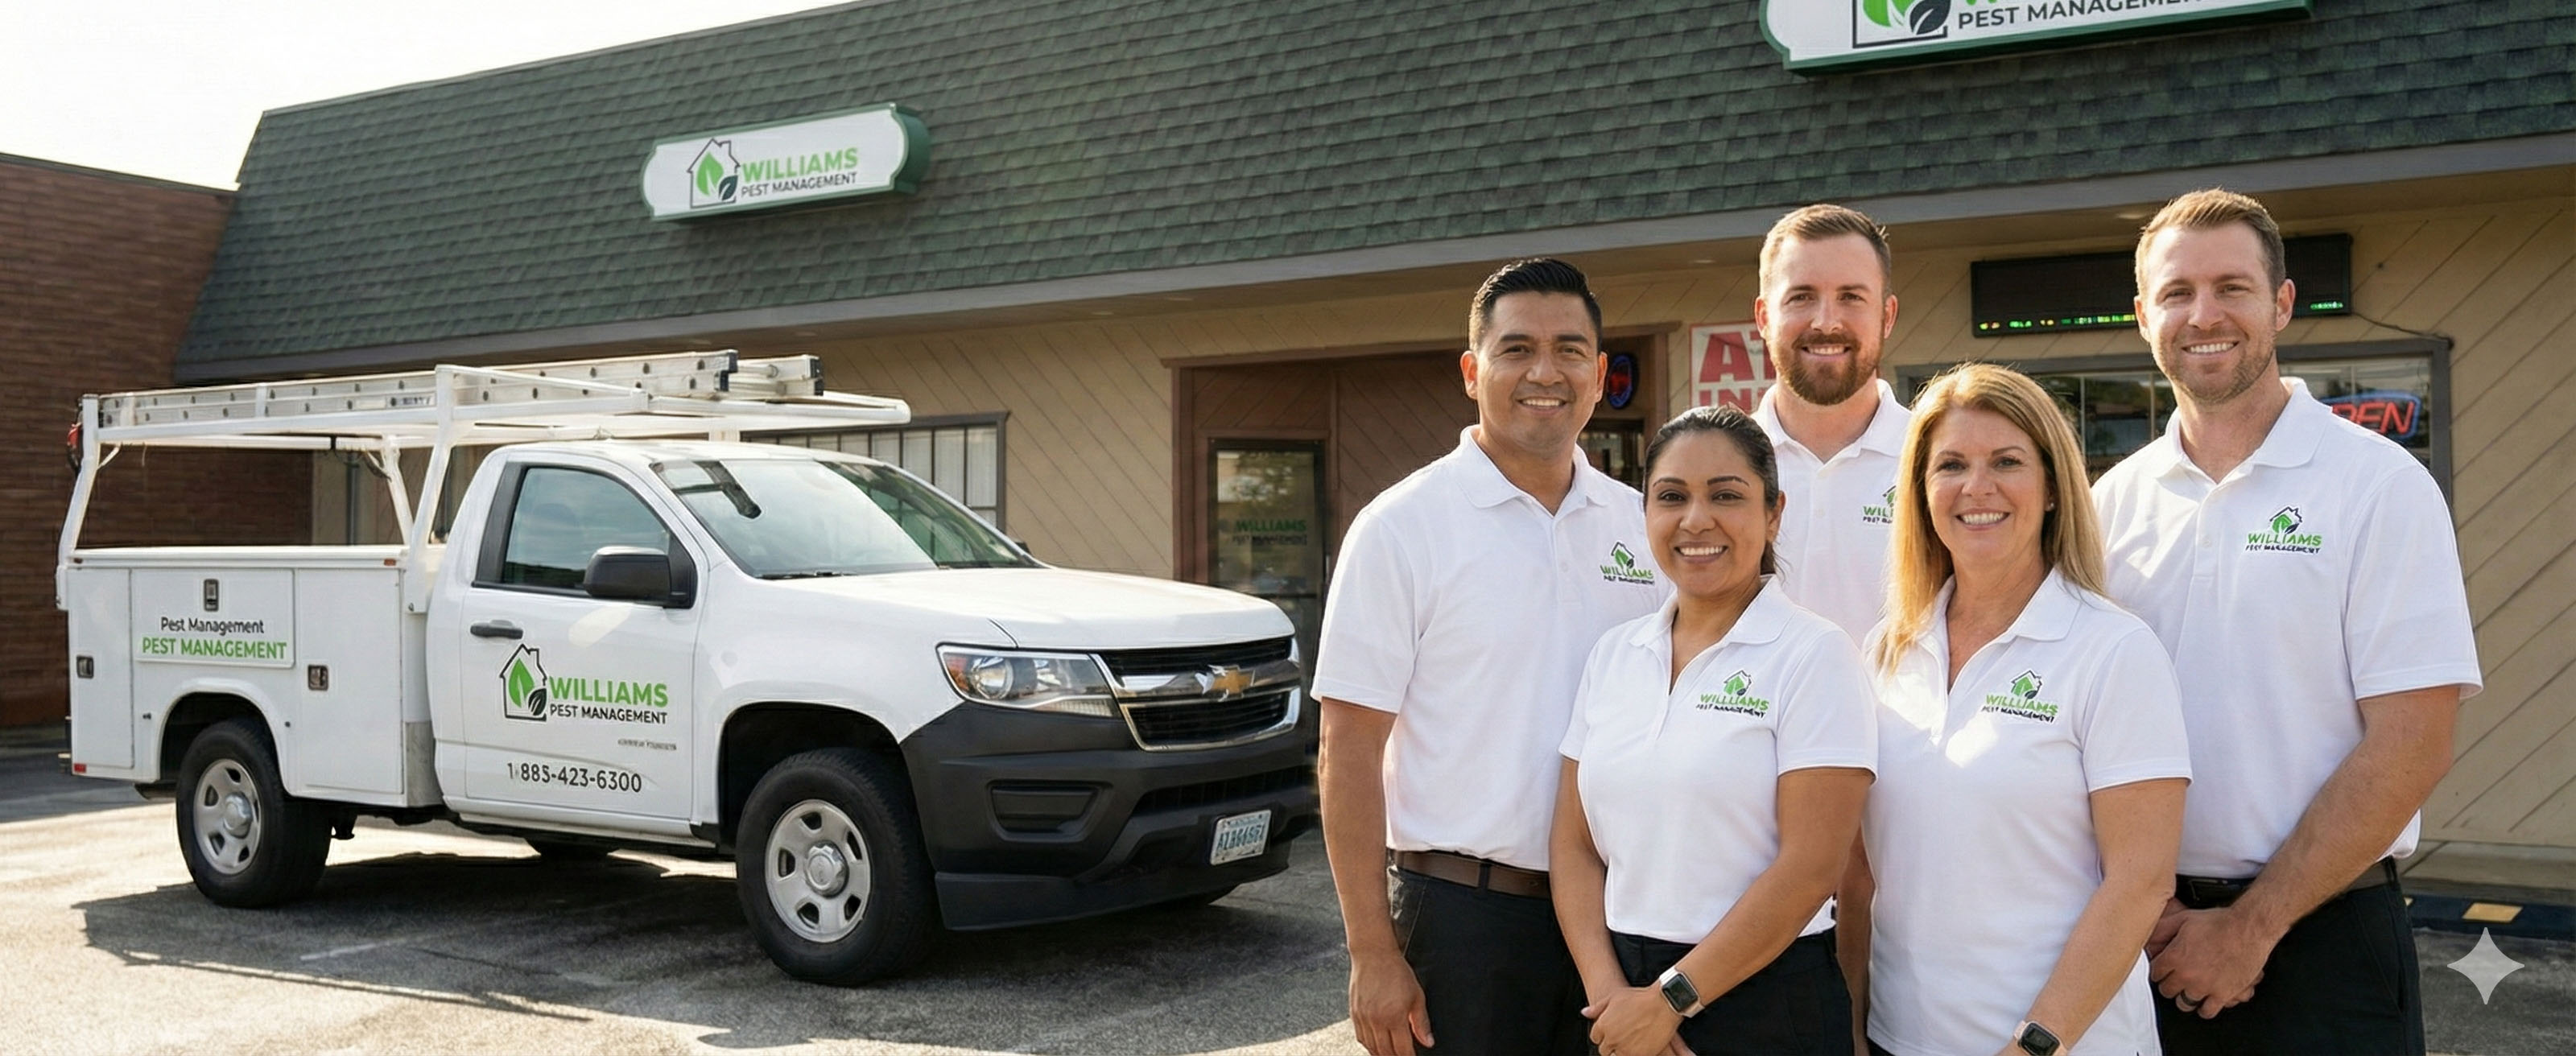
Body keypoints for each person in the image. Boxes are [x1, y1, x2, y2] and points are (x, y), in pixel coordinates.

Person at [2095, 188, 2483, 1054]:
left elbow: (2413, 743)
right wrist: (2145, 906)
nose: (2203, 315)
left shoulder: (2377, 485)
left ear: (2280, 303)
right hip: (2144, 939)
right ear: (2142, 316)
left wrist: (2250, 927)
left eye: (2231, 287)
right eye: (2176, 292)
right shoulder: (2107, 507)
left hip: (2324, 940)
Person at [1315, 258, 1668, 1056]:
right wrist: (1371, 951)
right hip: (1462, 923)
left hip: (1622, 919)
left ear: (1599, 375)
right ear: (1472, 372)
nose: (1544, 372)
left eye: (1568, 350)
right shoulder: (1400, 527)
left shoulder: (1641, 528)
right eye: (1516, 349)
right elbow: (1349, 748)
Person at [1844, 364, 2190, 1056]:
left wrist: (2035, 1045)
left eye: (2007, 462)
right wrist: (1853, 1028)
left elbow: (2140, 881)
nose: (1978, 487)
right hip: (1901, 1039)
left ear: (2054, 487)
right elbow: (1859, 871)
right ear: (1920, 491)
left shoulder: (2113, 650)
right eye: (1951, 465)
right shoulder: (1886, 650)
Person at [1551, 406, 1876, 1056]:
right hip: (1621, 999)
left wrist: (1671, 1000)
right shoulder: (1615, 654)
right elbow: (1573, 845)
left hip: (1767, 999)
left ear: (1774, 513)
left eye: (1726, 495)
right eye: (1672, 497)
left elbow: (1812, 867)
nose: (1696, 519)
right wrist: (1612, 996)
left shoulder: (1815, 655)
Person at [1750, 204, 1913, 644]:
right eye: (1801, 297)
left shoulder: (1936, 460)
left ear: (1887, 316)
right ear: (1764, 317)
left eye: (1851, 297)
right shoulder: (1720, 465)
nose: (1826, 322)